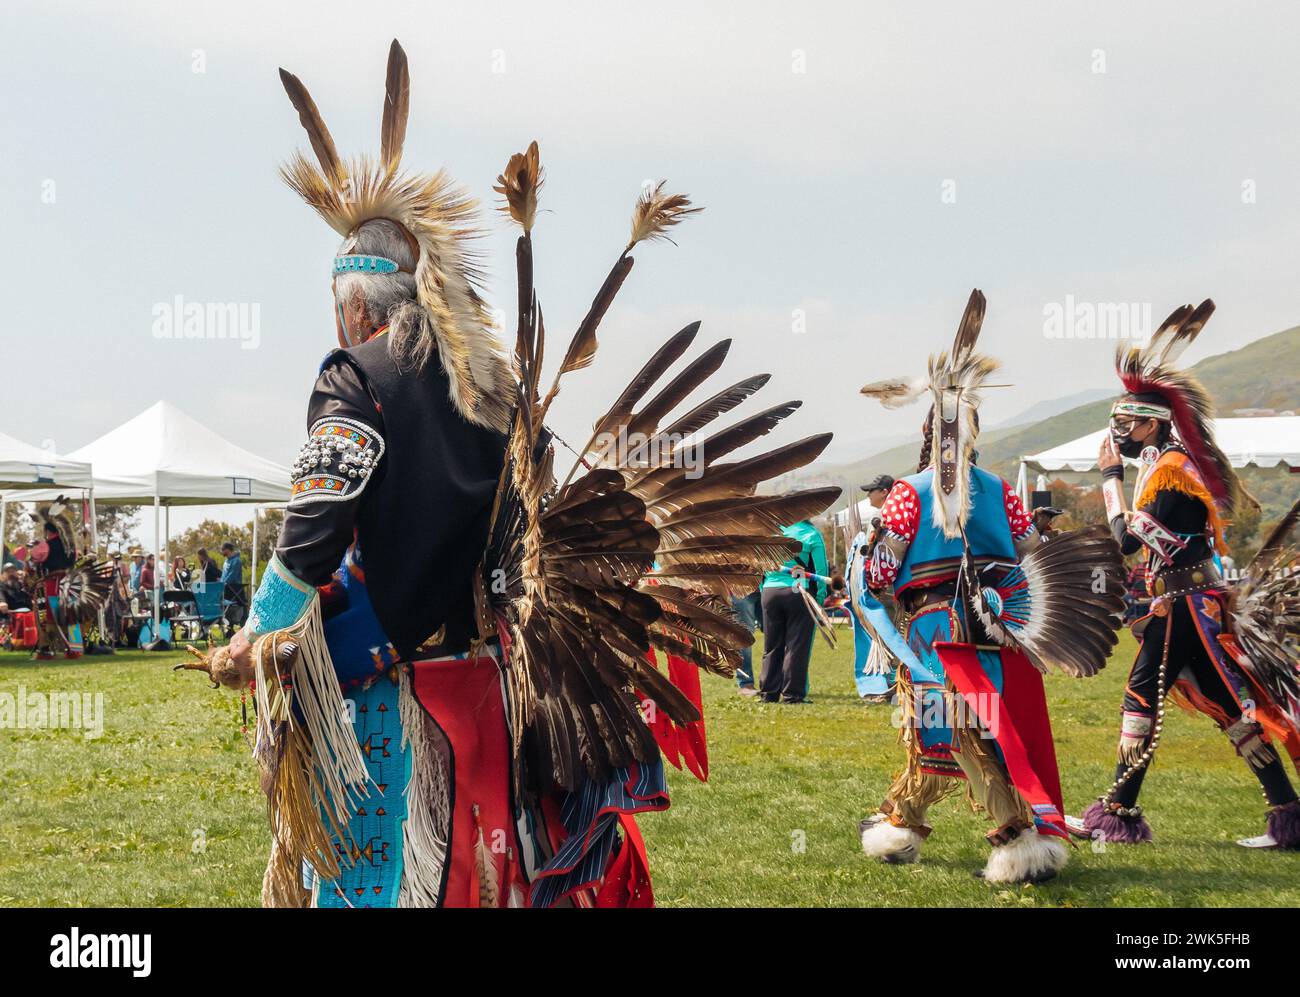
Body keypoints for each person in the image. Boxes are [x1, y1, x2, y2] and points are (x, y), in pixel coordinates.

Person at [186, 40, 835, 908]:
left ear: (353, 305)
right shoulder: (494, 393)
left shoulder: (354, 376)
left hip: (398, 700)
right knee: (490, 873)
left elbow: (314, 527)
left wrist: (257, 632)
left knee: (389, 880)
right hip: (495, 694)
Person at [856, 290, 1125, 882]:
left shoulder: (907, 492)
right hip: (997, 625)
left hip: (935, 629)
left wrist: (876, 566)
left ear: (929, 433)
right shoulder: (1002, 490)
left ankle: (1020, 838)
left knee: (955, 723)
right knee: (957, 722)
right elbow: (1034, 554)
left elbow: (878, 575)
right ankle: (898, 823)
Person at [1067, 300, 1300, 850]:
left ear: (1155, 424)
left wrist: (1108, 477)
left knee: (1140, 698)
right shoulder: (1162, 467)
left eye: (1127, 423)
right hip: (1186, 607)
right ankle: (1290, 816)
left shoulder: (1171, 474)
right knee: (1229, 710)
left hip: (1185, 610)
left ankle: (1118, 813)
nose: (1119, 432)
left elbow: (1127, 540)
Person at [757, 519, 828, 704]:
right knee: (797, 645)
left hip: (770, 590)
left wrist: (763, 589)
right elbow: (821, 571)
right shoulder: (811, 534)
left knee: (771, 645)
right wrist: (819, 600)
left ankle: (768, 693)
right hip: (797, 590)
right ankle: (792, 694)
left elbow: (758, 566)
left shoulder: (770, 530)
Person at [851, 474, 898, 702]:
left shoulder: (889, 518)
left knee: (889, 634)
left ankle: (892, 683)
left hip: (886, 589)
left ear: (885, 492)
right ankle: (890, 682)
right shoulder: (887, 516)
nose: (869, 494)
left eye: (872, 490)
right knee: (886, 634)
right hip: (882, 588)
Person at [732, 587, 762, 696]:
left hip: (768, 584)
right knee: (743, 637)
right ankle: (745, 684)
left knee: (776, 634)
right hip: (739, 587)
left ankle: (777, 683)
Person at [218, 542, 246, 626]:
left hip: (235, 589)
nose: (221, 552)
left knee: (239, 609)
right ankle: (228, 628)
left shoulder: (237, 561)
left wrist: (223, 584)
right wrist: (220, 584)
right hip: (226, 588)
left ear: (228, 550)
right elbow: (224, 575)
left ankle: (242, 626)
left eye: (222, 550)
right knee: (225, 608)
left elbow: (232, 576)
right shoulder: (226, 561)